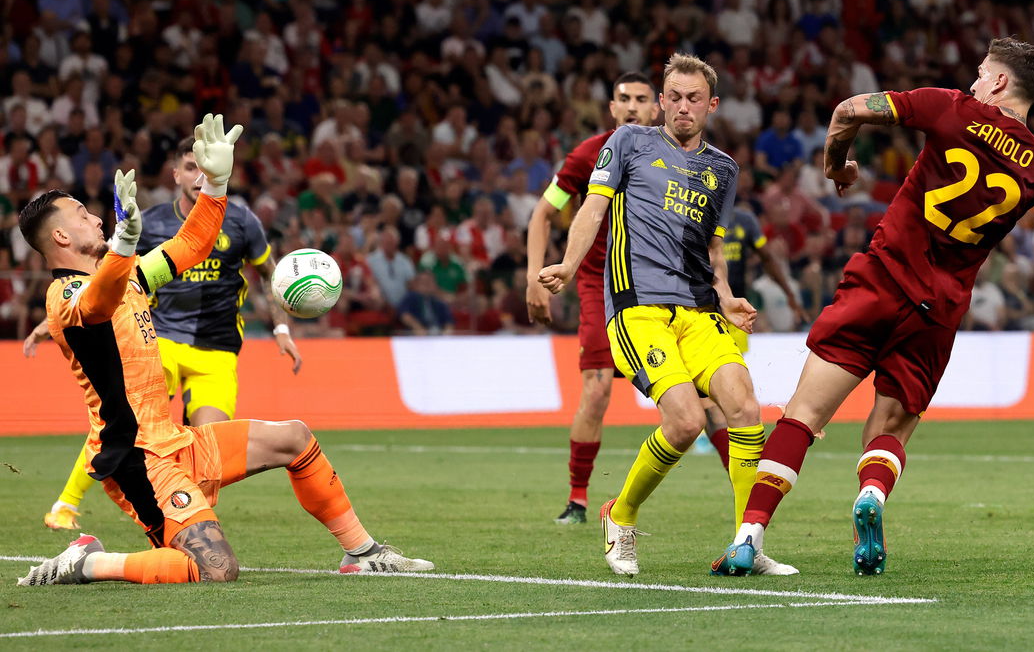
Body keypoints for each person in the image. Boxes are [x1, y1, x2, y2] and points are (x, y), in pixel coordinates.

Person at [710, 38, 1034, 578]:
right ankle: (871, 495)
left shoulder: (950, 106)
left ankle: (748, 538)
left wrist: (837, 166)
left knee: (804, 415)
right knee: (890, 426)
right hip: (936, 310)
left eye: (982, 72)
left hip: (877, 283)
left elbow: (849, 110)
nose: (975, 80)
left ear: (1000, 82)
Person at [17, 114, 431, 586]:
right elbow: (97, 304)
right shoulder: (65, 296)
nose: (96, 218)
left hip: (175, 441)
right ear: (61, 237)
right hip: (136, 460)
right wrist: (124, 246)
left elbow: (192, 244)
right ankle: (87, 562)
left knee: (295, 438)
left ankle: (363, 553)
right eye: (81, 215)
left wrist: (216, 184)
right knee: (214, 569)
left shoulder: (131, 276)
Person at [540, 54, 792, 576]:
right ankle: (621, 514)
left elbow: (714, 250)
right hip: (638, 309)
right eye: (673, 97)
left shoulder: (723, 169)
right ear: (661, 101)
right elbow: (592, 208)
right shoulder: (628, 142)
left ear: (711, 104)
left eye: (693, 98)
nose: (682, 107)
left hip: (699, 312)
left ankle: (746, 543)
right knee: (685, 421)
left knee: (745, 407)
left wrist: (726, 297)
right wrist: (568, 263)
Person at [31, 137, 304, 531]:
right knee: (121, 418)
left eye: (204, 167)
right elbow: (94, 292)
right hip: (163, 341)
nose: (198, 174)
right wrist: (56, 319)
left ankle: (187, 517)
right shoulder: (145, 226)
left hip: (218, 348)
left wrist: (280, 327)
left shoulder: (240, 223)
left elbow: (232, 259)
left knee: (209, 447)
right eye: (190, 167)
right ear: (176, 174)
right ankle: (68, 503)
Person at [525, 71, 660, 525]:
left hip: (655, 284)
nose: (632, 106)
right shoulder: (588, 155)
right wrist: (533, 277)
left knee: (703, 399)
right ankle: (578, 500)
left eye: (641, 99)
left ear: (656, 107)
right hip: (599, 282)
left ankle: (745, 505)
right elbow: (543, 214)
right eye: (624, 98)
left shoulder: (674, 156)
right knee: (598, 388)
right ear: (612, 107)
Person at [698, 205, 801, 461]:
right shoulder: (696, 213)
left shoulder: (745, 221)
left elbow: (766, 257)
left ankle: (729, 442)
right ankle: (715, 438)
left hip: (734, 312)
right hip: (700, 311)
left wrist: (788, 293)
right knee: (709, 392)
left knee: (733, 386)